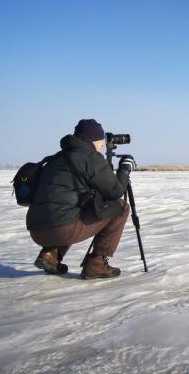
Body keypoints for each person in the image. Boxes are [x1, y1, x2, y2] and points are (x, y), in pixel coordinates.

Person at [26, 119, 136, 279]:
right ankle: (96, 264)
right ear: (94, 139)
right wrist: (125, 170)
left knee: (72, 208)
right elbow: (115, 191)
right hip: (60, 230)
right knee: (120, 208)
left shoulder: (58, 157)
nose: (103, 145)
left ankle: (50, 255)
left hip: (36, 229)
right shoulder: (88, 157)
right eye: (101, 140)